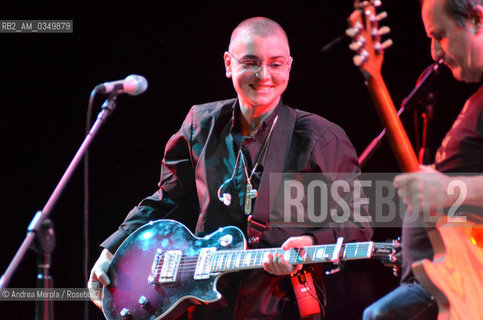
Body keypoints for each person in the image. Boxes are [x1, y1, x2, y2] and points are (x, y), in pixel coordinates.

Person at [88, 17, 373, 319]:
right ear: (228, 63)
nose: (263, 75)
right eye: (250, 62)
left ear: (289, 66)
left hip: (280, 306)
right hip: (204, 308)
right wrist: (113, 250)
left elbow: (359, 222)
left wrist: (311, 242)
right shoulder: (201, 124)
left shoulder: (322, 138)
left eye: (276, 64)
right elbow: (165, 200)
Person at [363, 0, 483, 319]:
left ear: (476, 19)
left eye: (440, 35)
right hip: (444, 277)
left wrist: (447, 190)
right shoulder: (476, 102)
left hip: (459, 285)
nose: (435, 52)